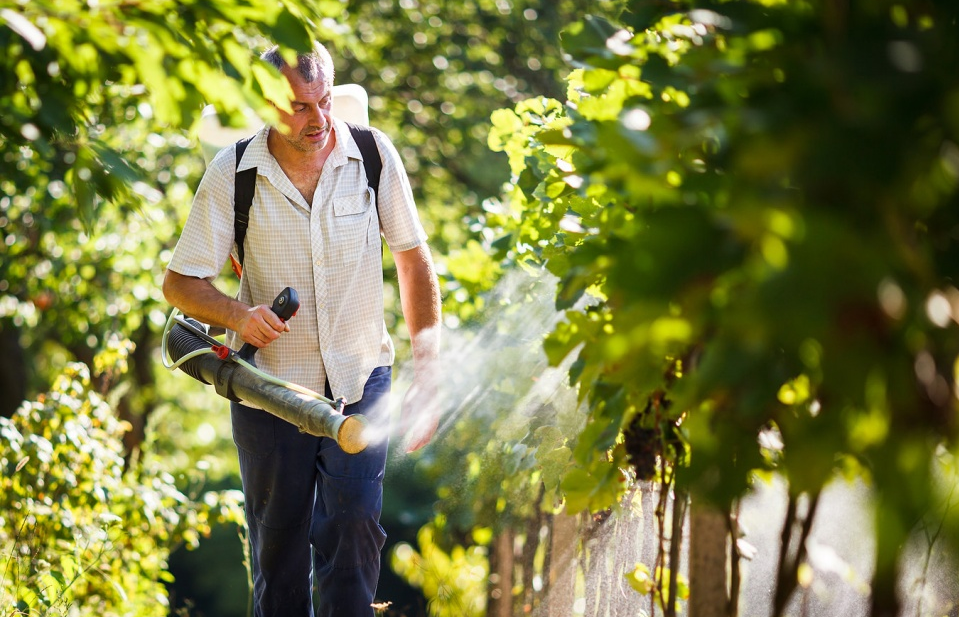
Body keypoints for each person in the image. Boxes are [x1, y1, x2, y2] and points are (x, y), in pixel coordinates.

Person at [162, 42, 441, 617]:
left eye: (324, 101)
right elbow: (180, 284)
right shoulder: (233, 173)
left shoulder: (373, 154)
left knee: (354, 541)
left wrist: (429, 376)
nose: (318, 119)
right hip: (269, 393)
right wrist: (239, 316)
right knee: (279, 563)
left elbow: (414, 263)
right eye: (299, 107)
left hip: (361, 384)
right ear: (266, 103)